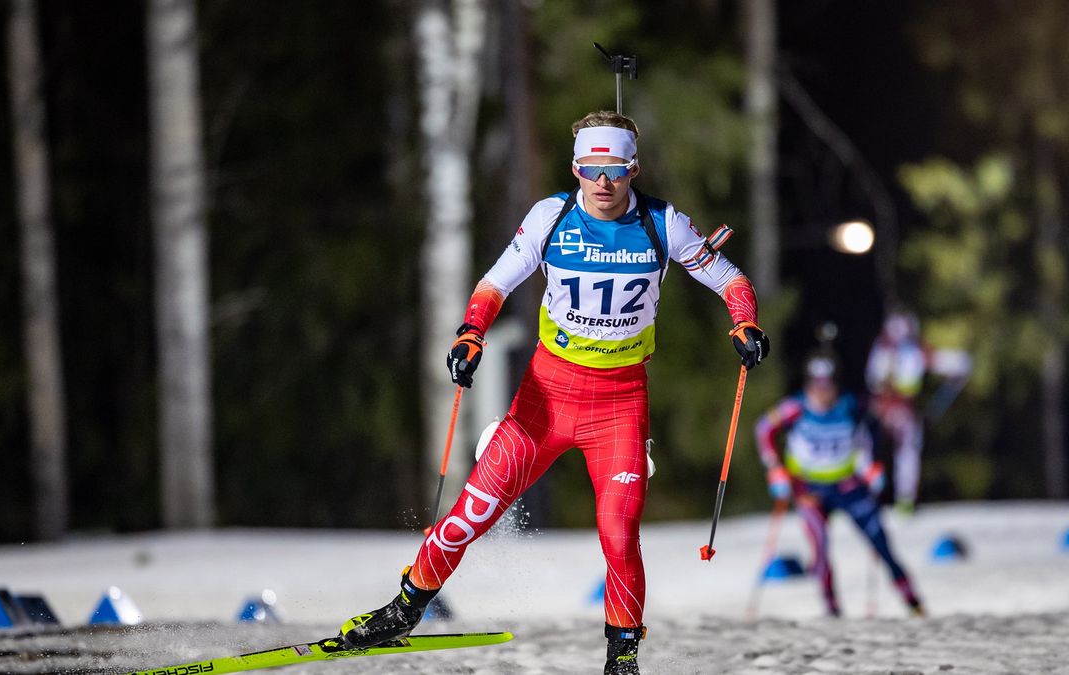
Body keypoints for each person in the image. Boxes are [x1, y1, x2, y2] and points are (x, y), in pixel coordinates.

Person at [338, 111, 769, 674]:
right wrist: (471, 333)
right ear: (576, 168)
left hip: (618, 407)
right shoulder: (551, 217)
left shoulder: (664, 224)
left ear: (632, 167)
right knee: (470, 515)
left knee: (619, 534)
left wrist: (745, 322)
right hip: (545, 401)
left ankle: (622, 658)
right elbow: (495, 283)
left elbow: (730, 277)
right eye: (592, 169)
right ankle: (404, 609)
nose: (603, 182)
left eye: (615, 168)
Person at [755, 353, 924, 618]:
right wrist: (775, 469)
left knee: (880, 541)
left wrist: (872, 466)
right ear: (808, 385)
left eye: (828, 385)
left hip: (848, 485)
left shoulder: (851, 405)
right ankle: (831, 609)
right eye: (817, 385)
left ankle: (913, 603)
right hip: (809, 489)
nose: (823, 392)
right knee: (820, 547)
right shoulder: (794, 408)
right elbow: (764, 429)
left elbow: (870, 434)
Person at [864, 308, 971, 513]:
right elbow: (876, 384)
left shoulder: (915, 352)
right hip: (881, 410)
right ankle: (867, 492)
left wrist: (943, 396)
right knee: (864, 446)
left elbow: (958, 364)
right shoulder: (882, 351)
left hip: (904, 410)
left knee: (908, 449)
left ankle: (905, 499)